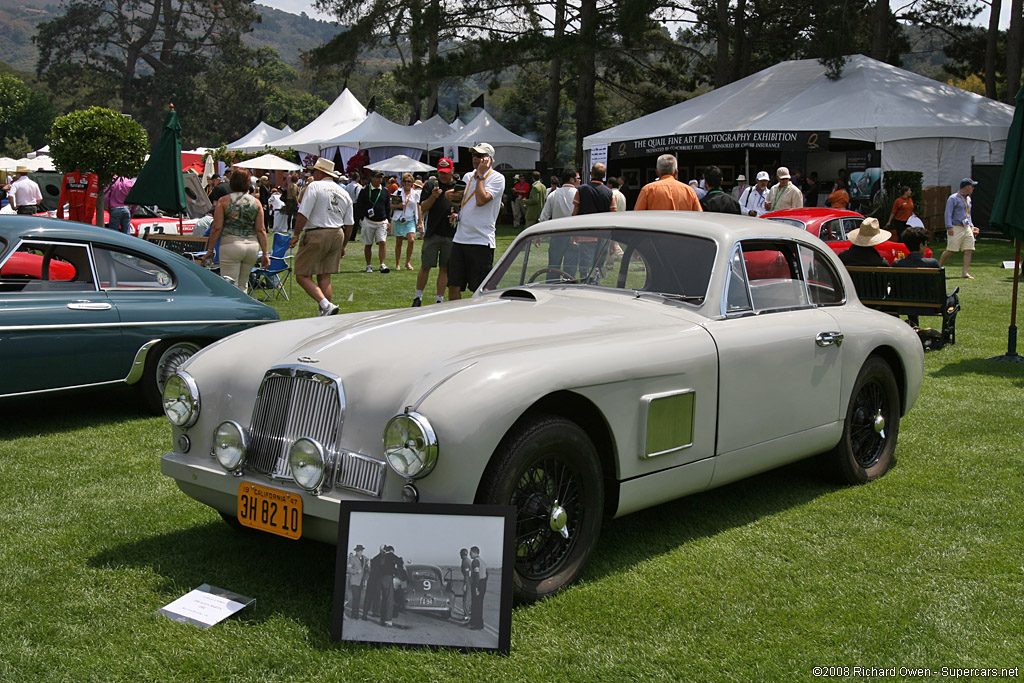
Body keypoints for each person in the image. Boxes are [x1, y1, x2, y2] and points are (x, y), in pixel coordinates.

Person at [290, 157, 354, 316]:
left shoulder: (314, 186)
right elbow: (350, 223)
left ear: (319, 172)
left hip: (317, 232)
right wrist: (344, 245)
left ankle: (326, 305)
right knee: (325, 276)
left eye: (314, 171)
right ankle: (323, 313)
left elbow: (303, 213)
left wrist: (296, 234)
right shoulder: (343, 191)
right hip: (337, 233)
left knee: (302, 274)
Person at [449, 142, 505, 300]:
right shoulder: (467, 176)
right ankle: (455, 319)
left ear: (489, 159)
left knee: (479, 289)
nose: (476, 158)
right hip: (460, 238)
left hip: (481, 240)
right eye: (474, 155)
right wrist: (450, 198)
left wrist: (480, 176)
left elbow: (481, 200)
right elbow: (460, 200)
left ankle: (478, 321)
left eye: (480, 155)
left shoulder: (497, 178)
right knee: (453, 284)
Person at [202, 168, 270, 290]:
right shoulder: (256, 202)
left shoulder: (223, 201)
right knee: (243, 285)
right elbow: (261, 229)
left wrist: (210, 249)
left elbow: (216, 228)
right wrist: (265, 253)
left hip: (231, 244)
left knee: (229, 286)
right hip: (251, 246)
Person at [413, 158, 460, 307]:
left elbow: (463, 206)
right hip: (433, 233)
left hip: (450, 234)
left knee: (445, 268)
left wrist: (457, 215)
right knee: (425, 265)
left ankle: (439, 299)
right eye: (440, 172)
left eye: (446, 173)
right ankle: (417, 297)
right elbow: (424, 207)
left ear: (452, 171)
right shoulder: (430, 185)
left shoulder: (458, 186)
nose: (443, 176)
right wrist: (433, 195)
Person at [893, 226, 941, 327]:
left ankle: (914, 324)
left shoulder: (898, 264)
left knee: (910, 291)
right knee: (954, 299)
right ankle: (946, 334)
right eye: (926, 244)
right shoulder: (932, 263)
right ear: (921, 245)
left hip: (903, 304)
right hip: (931, 306)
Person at [538, 168, 580, 274]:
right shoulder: (579, 194)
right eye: (578, 178)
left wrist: (538, 234)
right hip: (574, 235)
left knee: (553, 268)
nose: (579, 180)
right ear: (572, 180)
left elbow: (544, 217)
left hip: (556, 235)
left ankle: (550, 289)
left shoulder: (553, 194)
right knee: (570, 270)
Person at [940, 178, 979, 279]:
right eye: (972, 186)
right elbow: (948, 213)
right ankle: (938, 267)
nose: (973, 188)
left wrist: (971, 225)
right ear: (966, 187)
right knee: (951, 250)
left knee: (969, 249)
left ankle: (965, 272)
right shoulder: (953, 198)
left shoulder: (968, 198)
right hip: (956, 226)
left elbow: (968, 214)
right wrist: (949, 227)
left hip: (966, 227)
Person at [634, 154, 702, 211]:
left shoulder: (647, 190)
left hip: (656, 226)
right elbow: (699, 216)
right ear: (676, 172)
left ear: (657, 172)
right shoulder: (689, 191)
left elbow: (637, 216)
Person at [355, 170, 392, 274]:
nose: (379, 179)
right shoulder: (365, 190)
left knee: (382, 242)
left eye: (381, 178)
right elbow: (360, 205)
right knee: (368, 244)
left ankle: (382, 264)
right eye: (377, 177)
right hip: (368, 220)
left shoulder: (384, 190)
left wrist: (388, 220)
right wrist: (362, 218)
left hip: (382, 221)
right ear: (372, 178)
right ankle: (369, 265)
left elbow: (387, 207)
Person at [391, 173, 420, 271]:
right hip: (400, 219)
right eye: (405, 181)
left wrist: (420, 221)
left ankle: (408, 262)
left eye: (409, 181)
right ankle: (397, 263)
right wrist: (399, 206)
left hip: (410, 219)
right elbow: (391, 205)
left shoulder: (415, 193)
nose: (407, 183)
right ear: (402, 182)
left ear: (412, 183)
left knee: (411, 240)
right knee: (399, 242)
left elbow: (418, 207)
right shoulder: (397, 192)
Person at [346, 544, 368, 619]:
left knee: (358, 598)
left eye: (361, 551)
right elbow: (348, 569)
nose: (359, 552)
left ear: (362, 551)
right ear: (356, 551)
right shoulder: (352, 559)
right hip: (354, 581)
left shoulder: (365, 558)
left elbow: (365, 570)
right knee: (355, 597)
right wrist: (355, 571)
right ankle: (354, 614)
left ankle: (356, 614)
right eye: (358, 551)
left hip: (361, 582)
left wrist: (365, 580)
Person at [469, 546, 487, 630]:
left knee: (477, 605)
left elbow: (476, 575)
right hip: (482, 583)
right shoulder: (482, 561)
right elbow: (487, 574)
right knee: (477, 604)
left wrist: (476, 587)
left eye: (471, 552)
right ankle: (473, 621)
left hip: (477, 583)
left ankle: (479, 624)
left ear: (475, 552)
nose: (470, 554)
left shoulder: (475, 561)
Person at [459, 548, 472, 622]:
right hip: (470, 581)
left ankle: (466, 615)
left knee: (466, 599)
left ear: (462, 554)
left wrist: (465, 585)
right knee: (469, 598)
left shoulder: (465, 562)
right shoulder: (467, 561)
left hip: (468, 582)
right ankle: (469, 612)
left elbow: (467, 575)